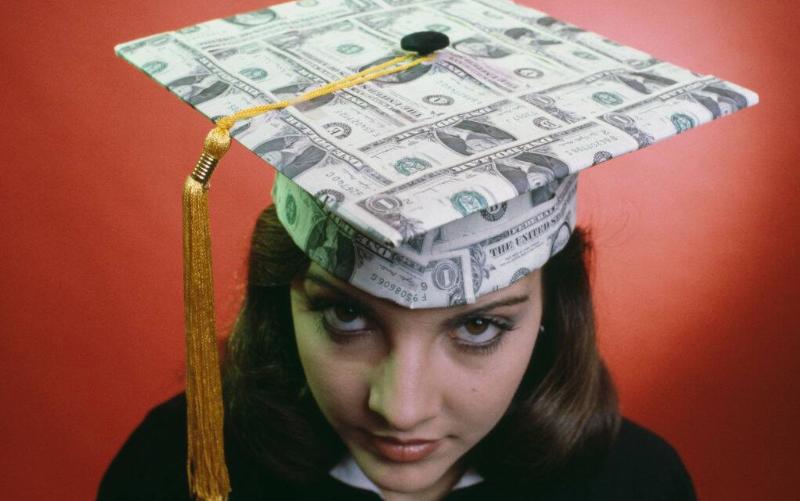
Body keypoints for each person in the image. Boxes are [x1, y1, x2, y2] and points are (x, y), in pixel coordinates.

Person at [98, 205, 696, 500]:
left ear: (551, 314)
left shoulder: (636, 483)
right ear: (281, 298)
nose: (400, 409)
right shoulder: (177, 467)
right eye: (348, 315)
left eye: (480, 326)